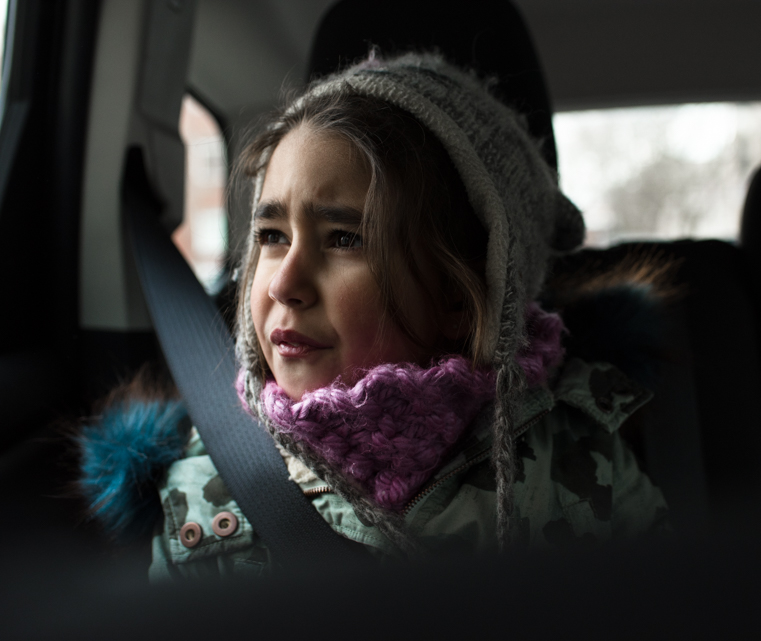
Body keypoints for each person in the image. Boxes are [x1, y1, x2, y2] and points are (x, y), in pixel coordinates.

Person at [77, 52, 668, 579]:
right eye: (272, 235)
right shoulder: (200, 493)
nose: (284, 282)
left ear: (460, 298)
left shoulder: (577, 465)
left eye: (344, 240)